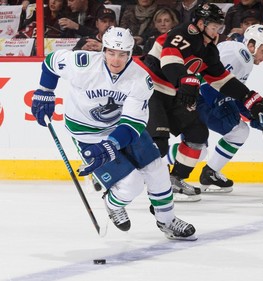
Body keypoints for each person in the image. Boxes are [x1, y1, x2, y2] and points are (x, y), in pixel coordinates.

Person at [30, 26, 196, 241]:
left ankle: (167, 220)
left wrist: (111, 145)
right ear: (103, 50)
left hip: (120, 130)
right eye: (111, 53)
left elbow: (132, 124)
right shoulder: (82, 63)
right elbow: (51, 62)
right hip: (87, 134)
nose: (116, 60)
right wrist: (45, 91)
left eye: (122, 54)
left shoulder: (140, 78)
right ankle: (113, 203)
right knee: (132, 184)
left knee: (157, 168)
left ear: (130, 54)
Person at [136, 3, 263, 201]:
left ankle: (175, 179)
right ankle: (120, 170)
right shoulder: (183, 33)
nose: (217, 32)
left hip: (175, 92)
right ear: (201, 24)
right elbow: (170, 60)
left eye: (219, 28)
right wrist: (185, 79)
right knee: (160, 144)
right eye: (214, 27)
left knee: (197, 134)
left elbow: (221, 79)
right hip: (150, 87)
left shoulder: (208, 49)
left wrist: (248, 97)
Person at [168, 24, 263, 193]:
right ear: (251, 45)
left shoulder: (240, 53)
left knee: (238, 132)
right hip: (197, 99)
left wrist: (251, 113)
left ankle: (210, 173)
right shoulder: (239, 56)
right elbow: (208, 82)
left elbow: (232, 89)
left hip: (203, 99)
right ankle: (152, 164)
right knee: (198, 148)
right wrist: (222, 106)